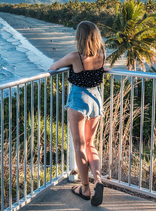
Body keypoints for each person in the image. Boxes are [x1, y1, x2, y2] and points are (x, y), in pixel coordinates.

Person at [49, 20, 105, 206]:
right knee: (91, 144)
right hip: (96, 99)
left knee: (79, 145)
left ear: (79, 38)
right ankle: (98, 180)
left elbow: (53, 67)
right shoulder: (102, 55)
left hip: (79, 99)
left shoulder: (75, 57)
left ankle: (85, 188)